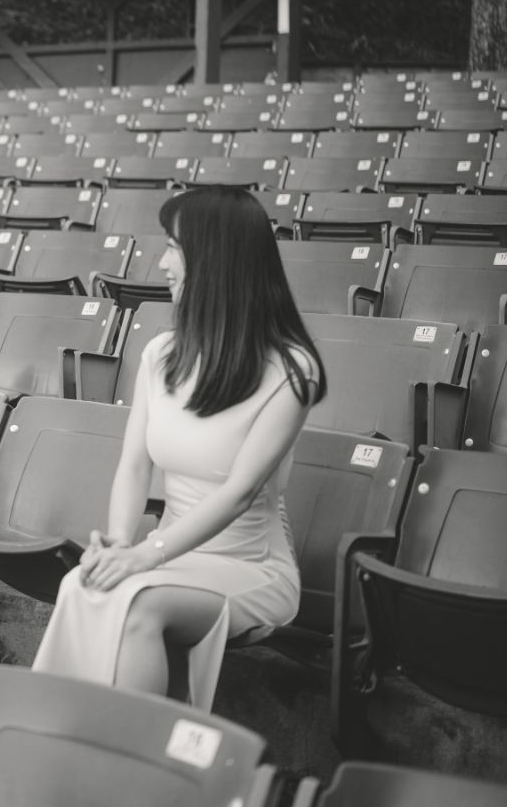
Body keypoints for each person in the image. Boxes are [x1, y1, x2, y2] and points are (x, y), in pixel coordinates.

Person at [32, 185, 326, 708]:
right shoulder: (161, 353)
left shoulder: (292, 370)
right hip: (169, 552)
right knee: (82, 584)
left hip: (250, 569)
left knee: (137, 605)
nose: (162, 262)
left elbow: (239, 492)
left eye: (174, 247)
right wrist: (122, 543)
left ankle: (138, 770)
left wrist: (146, 556)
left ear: (215, 260)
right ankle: (67, 739)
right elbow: (134, 462)